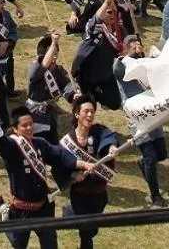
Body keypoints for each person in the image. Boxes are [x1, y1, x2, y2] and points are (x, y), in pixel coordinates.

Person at [0, 108, 91, 249]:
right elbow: (0, 142)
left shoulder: (41, 143)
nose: (28, 128)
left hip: (43, 208)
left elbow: (59, 156)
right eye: (24, 125)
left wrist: (82, 164)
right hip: (22, 210)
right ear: (15, 128)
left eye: (31, 124)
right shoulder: (12, 146)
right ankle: (3, 210)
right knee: (18, 244)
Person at [113, 34, 168, 208]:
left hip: (152, 111)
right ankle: (155, 195)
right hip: (136, 116)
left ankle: (143, 164)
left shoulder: (144, 63)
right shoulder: (120, 63)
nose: (137, 46)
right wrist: (133, 57)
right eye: (133, 44)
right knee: (150, 156)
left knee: (161, 154)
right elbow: (121, 71)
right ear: (126, 47)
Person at [58, 97, 120, 249]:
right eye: (86, 111)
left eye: (92, 111)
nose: (90, 115)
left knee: (92, 229)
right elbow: (59, 167)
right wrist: (73, 176)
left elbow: (109, 137)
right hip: (80, 194)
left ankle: (69, 213)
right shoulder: (67, 142)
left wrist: (111, 146)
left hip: (99, 193)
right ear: (77, 114)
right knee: (86, 233)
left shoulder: (98, 131)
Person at [25, 29, 73, 145]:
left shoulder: (57, 70)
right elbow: (41, 67)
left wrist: (73, 94)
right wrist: (53, 43)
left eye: (56, 54)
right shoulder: (35, 69)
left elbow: (66, 84)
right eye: (52, 54)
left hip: (49, 114)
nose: (54, 57)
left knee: (52, 143)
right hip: (34, 114)